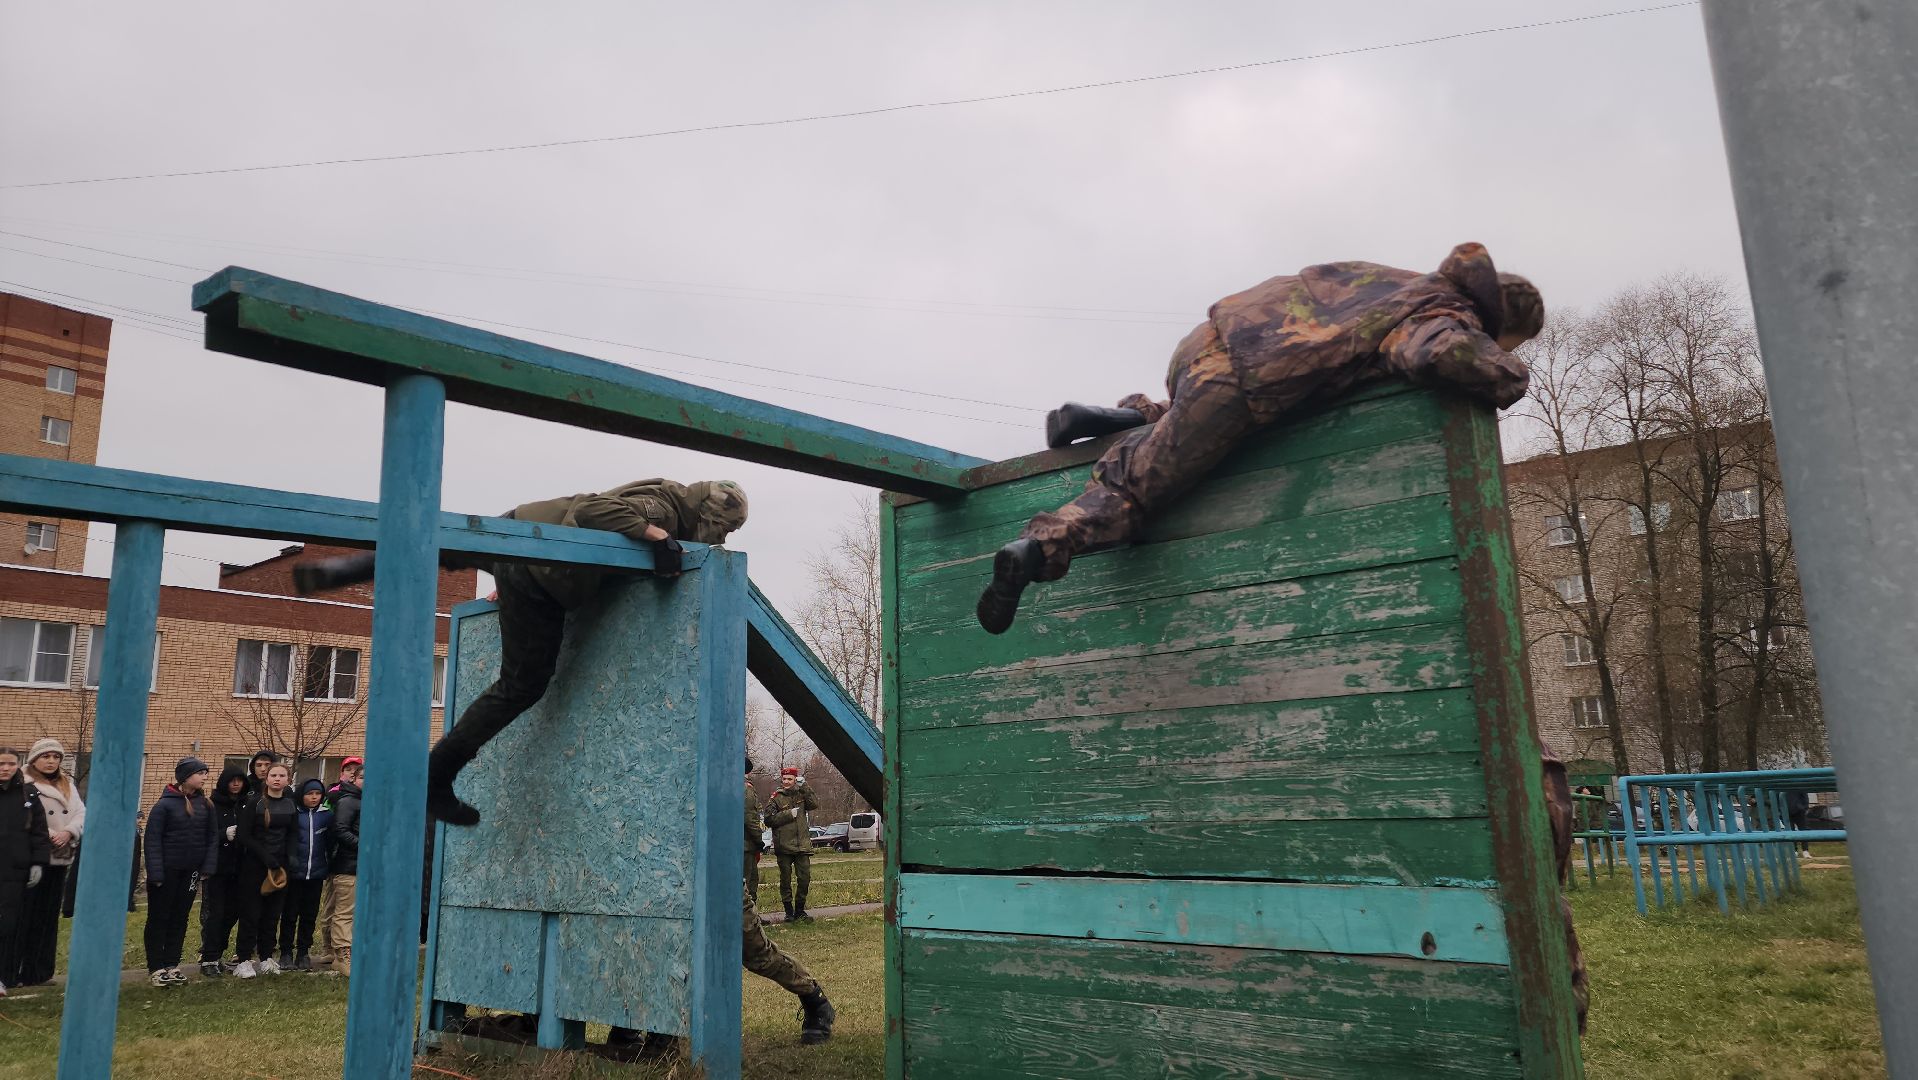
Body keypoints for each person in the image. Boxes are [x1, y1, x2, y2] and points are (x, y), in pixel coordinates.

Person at [976, 242, 1542, 635]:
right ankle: (1039, 548)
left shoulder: (1387, 280)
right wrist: (1510, 374)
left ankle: (1111, 416)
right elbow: (1445, 353)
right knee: (1137, 489)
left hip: (1209, 344)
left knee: (1185, 421)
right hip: (1243, 383)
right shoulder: (1443, 312)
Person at [290, 480, 750, 827]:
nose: (720, 540)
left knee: (446, 550)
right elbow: (594, 509)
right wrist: (656, 535)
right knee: (523, 684)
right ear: (708, 513)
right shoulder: (665, 507)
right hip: (535, 558)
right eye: (723, 529)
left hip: (520, 538)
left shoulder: (669, 506)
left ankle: (340, 570)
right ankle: (433, 778)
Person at [607, 756, 834, 1055]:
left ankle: (815, 1000)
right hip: (667, 880)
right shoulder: (662, 776)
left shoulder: (731, 791)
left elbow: (746, 826)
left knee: (756, 954)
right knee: (661, 945)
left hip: (719, 880)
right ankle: (641, 1029)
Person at [143, 757, 219, 987]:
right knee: (159, 917)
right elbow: (152, 841)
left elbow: (212, 837)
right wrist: (155, 873)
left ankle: (172, 963)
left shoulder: (205, 805)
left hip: (191, 872)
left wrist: (207, 867)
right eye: (200, 773)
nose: (205, 776)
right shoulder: (164, 806)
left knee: (180, 917)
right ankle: (156, 967)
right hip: (166, 872)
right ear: (186, 776)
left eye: (205, 772)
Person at [16, 738, 84, 986]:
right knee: (26, 914)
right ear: (34, 759)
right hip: (33, 856)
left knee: (47, 916)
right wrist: (48, 834)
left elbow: (80, 812)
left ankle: (40, 971)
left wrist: (69, 832)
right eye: (46, 756)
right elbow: (20, 817)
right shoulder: (22, 782)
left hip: (60, 856)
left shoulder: (67, 784)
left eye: (56, 757)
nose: (51, 761)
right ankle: (18, 970)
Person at [233, 762, 296, 978]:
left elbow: (293, 834)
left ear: (288, 779)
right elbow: (244, 835)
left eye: (282, 775)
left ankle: (267, 956)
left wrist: (288, 858)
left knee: (272, 914)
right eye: (273, 775)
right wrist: (265, 857)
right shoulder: (255, 803)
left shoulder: (290, 804)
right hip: (255, 867)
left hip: (280, 869)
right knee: (251, 914)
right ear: (266, 779)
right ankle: (243, 960)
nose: (277, 779)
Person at [0, 747, 52, 998]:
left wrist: (38, 863)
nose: (6, 768)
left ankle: (4, 976)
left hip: (15, 870)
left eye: (11, 763)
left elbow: (40, 832)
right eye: (1, 763)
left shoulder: (28, 793)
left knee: (8, 925)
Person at [198, 765, 250, 976]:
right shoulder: (212, 805)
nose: (236, 784)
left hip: (241, 867)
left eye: (239, 780)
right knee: (216, 913)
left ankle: (219, 953)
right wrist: (223, 834)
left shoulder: (247, 804)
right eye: (232, 780)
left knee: (232, 913)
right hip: (218, 867)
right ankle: (209, 957)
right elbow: (205, 834)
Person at [278, 778, 332, 971]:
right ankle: (285, 952)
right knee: (289, 914)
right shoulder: (294, 812)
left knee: (309, 915)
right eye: (310, 793)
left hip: (316, 874)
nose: (314, 797)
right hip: (294, 874)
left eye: (318, 794)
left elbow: (330, 842)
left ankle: (303, 952)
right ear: (302, 795)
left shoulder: (326, 815)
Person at [316, 757, 361, 974]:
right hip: (345, 864)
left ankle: (336, 950)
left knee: (340, 909)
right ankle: (338, 953)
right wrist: (365, 847)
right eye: (361, 776)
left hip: (353, 864)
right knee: (340, 910)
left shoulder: (361, 800)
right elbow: (340, 831)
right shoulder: (345, 800)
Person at [764, 766, 818, 922]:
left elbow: (814, 804)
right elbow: (768, 819)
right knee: (785, 880)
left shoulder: (802, 794)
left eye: (790, 779)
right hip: (784, 846)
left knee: (804, 878)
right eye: (784, 779)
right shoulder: (776, 797)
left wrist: (805, 786)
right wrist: (788, 814)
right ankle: (789, 912)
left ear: (795, 780)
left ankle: (800, 910)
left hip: (802, 845)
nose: (786, 782)